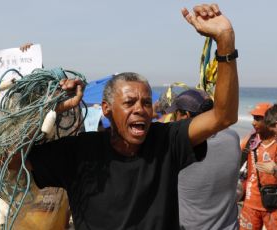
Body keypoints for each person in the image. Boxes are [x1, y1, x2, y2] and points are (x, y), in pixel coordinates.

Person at [20, 3, 238, 229]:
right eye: (129, 102)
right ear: (106, 109)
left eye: (146, 102)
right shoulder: (80, 152)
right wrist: (48, 108)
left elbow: (223, 117)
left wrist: (225, 40)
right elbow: (13, 162)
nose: (140, 109)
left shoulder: (166, 141)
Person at [164, 89, 240, 230]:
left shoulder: (176, 149)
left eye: (176, 114)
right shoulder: (233, 138)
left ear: (185, 116)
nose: (173, 119)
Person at [239, 102, 277, 230]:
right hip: (250, 204)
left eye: (258, 119)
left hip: (275, 205)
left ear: (270, 120)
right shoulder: (250, 140)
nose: (254, 123)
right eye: (254, 118)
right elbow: (237, 161)